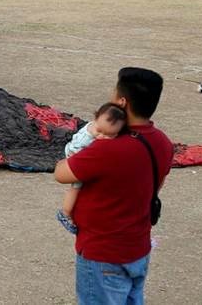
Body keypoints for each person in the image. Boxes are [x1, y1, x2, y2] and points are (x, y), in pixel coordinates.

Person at [55, 67, 173, 304]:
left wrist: (90, 136)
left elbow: (61, 172)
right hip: (137, 249)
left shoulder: (107, 148)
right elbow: (154, 188)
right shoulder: (162, 142)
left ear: (122, 102)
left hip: (103, 254)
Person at [56, 102, 128, 234]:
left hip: (78, 153)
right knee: (76, 187)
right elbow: (77, 155)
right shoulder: (86, 140)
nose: (101, 136)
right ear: (95, 119)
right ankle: (65, 212)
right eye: (99, 131)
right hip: (74, 156)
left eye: (109, 135)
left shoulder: (97, 125)